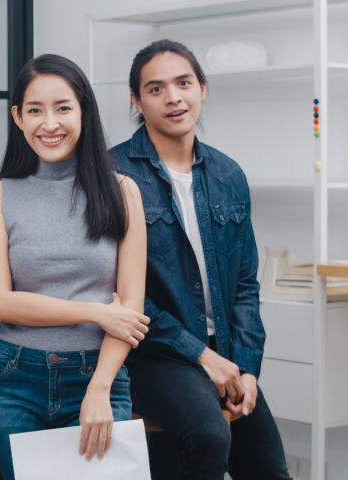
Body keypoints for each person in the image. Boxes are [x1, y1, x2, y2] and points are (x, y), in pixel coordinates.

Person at [109, 39, 290, 480]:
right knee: (210, 436)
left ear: (202, 88)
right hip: (153, 354)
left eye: (183, 83)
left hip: (225, 350)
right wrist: (201, 356)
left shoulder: (228, 174)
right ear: (136, 99)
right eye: (155, 88)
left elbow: (246, 283)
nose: (173, 97)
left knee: (270, 470)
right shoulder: (112, 174)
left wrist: (246, 368)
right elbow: (115, 291)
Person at [0, 54, 149, 480]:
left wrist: (100, 387)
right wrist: (95, 310)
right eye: (35, 110)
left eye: (63, 108)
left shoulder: (123, 191)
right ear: (18, 117)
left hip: (98, 374)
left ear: (84, 112)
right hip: (13, 378)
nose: (49, 123)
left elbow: (129, 307)